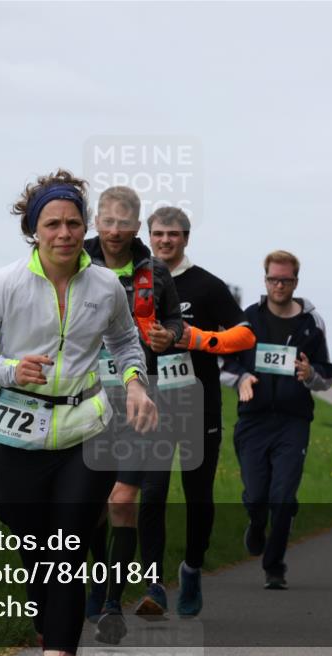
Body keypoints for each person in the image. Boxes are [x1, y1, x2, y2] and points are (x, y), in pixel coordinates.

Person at [0, 169, 157, 656]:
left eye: (71, 222)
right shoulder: (2, 285)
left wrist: (133, 384)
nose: (64, 233)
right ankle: (52, 627)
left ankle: (59, 654)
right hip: (19, 434)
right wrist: (10, 369)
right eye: (52, 224)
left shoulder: (105, 285)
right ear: (34, 231)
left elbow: (126, 341)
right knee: (33, 545)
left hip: (86, 431)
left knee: (66, 549)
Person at [82, 186, 184, 643]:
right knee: (91, 507)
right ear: (96, 221)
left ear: (136, 226)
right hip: (84, 401)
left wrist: (169, 336)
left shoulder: (155, 273)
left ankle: (109, 604)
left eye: (124, 223)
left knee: (123, 499)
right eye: (108, 221)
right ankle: (94, 585)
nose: (115, 230)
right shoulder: (75, 261)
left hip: (141, 401)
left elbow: (176, 323)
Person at [147, 206, 256, 616]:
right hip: (151, 403)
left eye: (173, 234)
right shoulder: (135, 282)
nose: (165, 241)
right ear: (149, 235)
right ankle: (153, 584)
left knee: (197, 496)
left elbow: (245, 334)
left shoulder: (208, 286)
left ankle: (191, 569)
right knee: (152, 492)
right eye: (158, 234)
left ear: (186, 238)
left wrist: (196, 338)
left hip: (198, 403)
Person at [223, 250, 332, 589]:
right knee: (257, 496)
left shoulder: (311, 323)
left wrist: (309, 373)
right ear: (265, 280)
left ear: (296, 282)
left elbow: (327, 377)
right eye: (274, 279)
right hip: (254, 421)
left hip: (292, 421)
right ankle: (256, 524)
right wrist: (241, 378)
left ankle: (275, 567)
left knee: (283, 498)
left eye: (286, 280)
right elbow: (224, 363)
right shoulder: (247, 319)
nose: (279, 285)